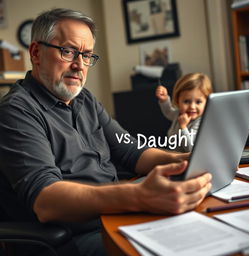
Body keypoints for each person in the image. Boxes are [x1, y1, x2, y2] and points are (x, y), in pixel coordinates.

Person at [0, 8, 212, 256]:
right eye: (68, 51)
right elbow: (46, 200)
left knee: (204, 230)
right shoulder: (16, 111)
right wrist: (138, 196)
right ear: (36, 53)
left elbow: (131, 151)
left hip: (117, 213)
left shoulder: (84, 99)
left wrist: (187, 159)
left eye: (87, 55)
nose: (79, 65)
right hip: (74, 239)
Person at [156, 73, 213, 152]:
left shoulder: (200, 122)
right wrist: (164, 99)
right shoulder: (179, 114)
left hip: (188, 160)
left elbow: (191, 150)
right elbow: (168, 112)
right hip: (175, 154)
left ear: (207, 102)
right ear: (177, 101)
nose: (192, 107)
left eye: (198, 102)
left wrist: (183, 127)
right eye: (186, 101)